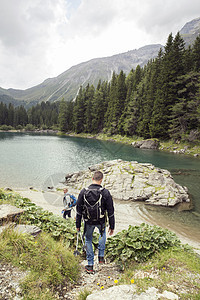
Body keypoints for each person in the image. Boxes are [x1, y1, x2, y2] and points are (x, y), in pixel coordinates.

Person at [76, 170, 115, 273]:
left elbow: (78, 210)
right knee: (102, 235)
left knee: (88, 239)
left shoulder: (83, 192)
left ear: (92, 178)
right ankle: (101, 257)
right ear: (101, 180)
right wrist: (112, 226)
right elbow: (111, 211)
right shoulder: (105, 192)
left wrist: (78, 225)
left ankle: (90, 265)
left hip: (88, 221)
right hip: (101, 220)